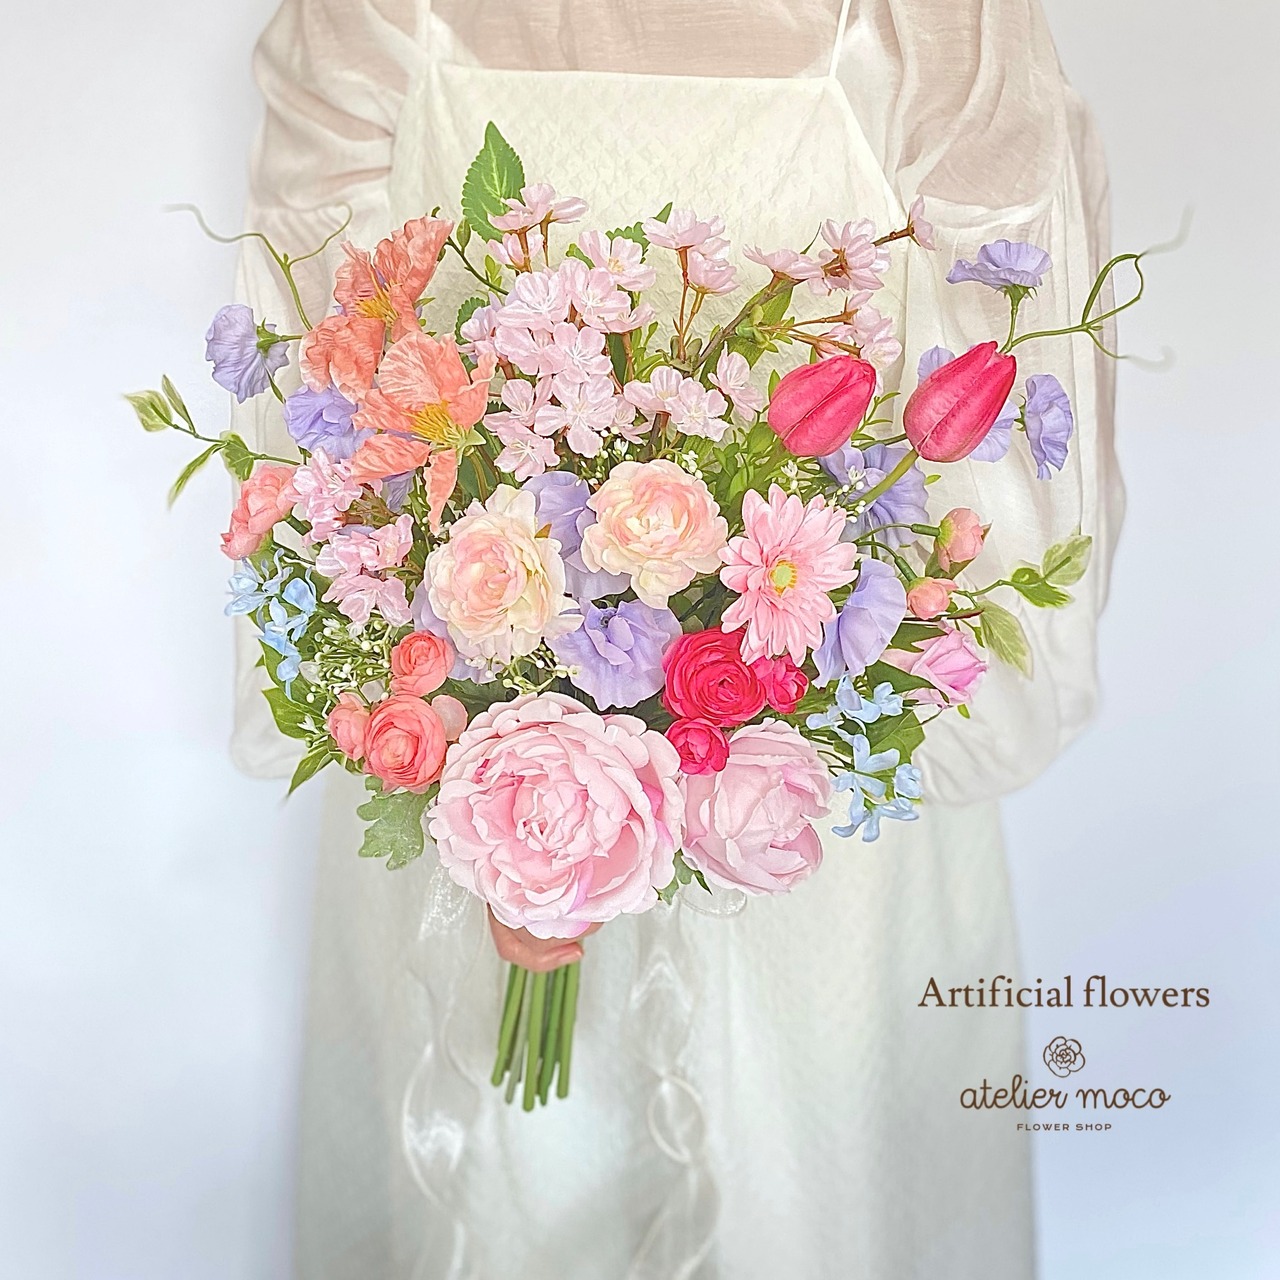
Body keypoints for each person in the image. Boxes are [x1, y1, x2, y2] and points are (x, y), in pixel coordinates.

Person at [229, 2, 1123, 1275]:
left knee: (684, 1178)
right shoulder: (935, 25)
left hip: (730, 799)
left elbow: (308, 397)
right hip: (598, 795)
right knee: (700, 1184)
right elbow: (1018, 441)